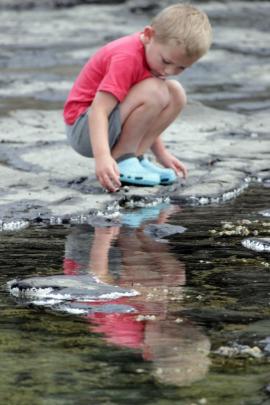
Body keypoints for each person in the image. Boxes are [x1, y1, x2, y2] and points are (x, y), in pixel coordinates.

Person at [63, 4, 212, 192]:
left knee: (176, 93)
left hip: (107, 126)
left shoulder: (155, 55)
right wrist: (102, 158)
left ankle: (137, 157)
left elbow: (149, 113)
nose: (169, 71)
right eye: (166, 61)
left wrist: (161, 153)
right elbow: (99, 110)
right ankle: (122, 158)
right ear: (149, 35)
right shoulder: (126, 57)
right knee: (155, 90)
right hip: (84, 130)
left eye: (180, 68)